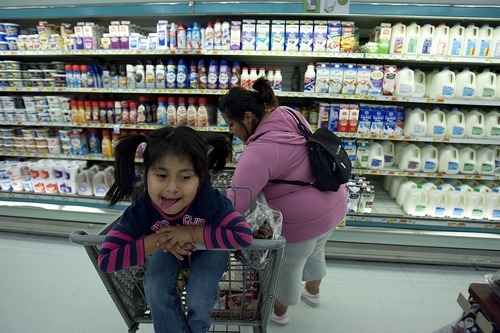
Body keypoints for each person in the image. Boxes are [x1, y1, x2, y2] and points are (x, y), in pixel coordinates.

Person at [97, 126, 253, 333]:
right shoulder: (142, 209)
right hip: (165, 247)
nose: (172, 188)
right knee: (154, 287)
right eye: (161, 175)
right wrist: (157, 240)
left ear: (200, 179)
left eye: (185, 177)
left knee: (199, 296)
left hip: (210, 248)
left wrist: (189, 233)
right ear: (146, 174)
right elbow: (106, 260)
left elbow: (243, 235)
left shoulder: (209, 200)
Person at [218, 77, 348, 325]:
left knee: (288, 266)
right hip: (335, 201)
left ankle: (280, 311)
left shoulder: (258, 151)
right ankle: (313, 292)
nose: (229, 131)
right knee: (316, 249)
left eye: (231, 124)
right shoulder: (288, 113)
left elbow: (236, 202)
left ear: (247, 118)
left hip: (302, 223)